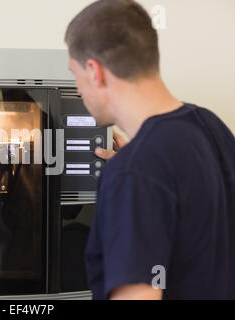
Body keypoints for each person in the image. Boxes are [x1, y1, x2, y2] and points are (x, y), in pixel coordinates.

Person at [65, 0, 235, 299]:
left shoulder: (135, 170)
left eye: (74, 73)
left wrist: (135, 175)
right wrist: (140, 172)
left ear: (95, 71)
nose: (77, 89)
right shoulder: (211, 127)